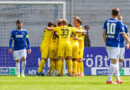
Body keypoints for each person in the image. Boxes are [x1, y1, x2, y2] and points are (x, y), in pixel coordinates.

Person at [103, 8, 130, 84]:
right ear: (118, 14)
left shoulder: (106, 21)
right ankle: (109, 80)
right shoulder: (119, 23)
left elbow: (104, 34)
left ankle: (118, 79)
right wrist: (129, 42)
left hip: (108, 44)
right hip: (115, 44)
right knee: (113, 61)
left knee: (116, 62)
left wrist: (105, 44)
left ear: (111, 13)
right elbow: (124, 34)